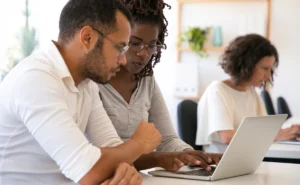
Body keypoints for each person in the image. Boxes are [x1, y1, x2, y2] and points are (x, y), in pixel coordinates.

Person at [0, 1, 162, 185]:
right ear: (87, 38)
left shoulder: (86, 83)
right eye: (119, 47)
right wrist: (139, 143)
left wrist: (122, 171)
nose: (123, 60)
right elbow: (88, 170)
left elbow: (114, 150)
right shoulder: (35, 79)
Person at [98, 0, 222, 172]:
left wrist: (193, 156)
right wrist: (159, 158)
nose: (143, 53)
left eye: (151, 45)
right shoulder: (93, 81)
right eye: (134, 43)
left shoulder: (147, 80)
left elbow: (167, 139)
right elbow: (101, 153)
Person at [196, 34, 300, 153]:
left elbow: (265, 130)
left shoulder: (251, 92)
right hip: (221, 162)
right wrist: (276, 135)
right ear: (246, 65)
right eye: (265, 68)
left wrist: (290, 131)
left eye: (271, 70)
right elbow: (228, 137)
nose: (268, 76)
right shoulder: (217, 90)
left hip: (245, 159)